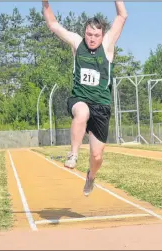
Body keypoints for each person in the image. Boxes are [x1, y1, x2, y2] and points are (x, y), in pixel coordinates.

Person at [43, 0, 127, 196]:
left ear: (102, 35)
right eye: (89, 34)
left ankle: (90, 177)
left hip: (102, 106)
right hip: (79, 99)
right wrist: (45, 3)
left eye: (96, 35)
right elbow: (53, 24)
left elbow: (122, 16)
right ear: (84, 33)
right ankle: (73, 154)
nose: (92, 38)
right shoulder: (76, 42)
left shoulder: (107, 45)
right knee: (82, 112)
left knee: (97, 157)